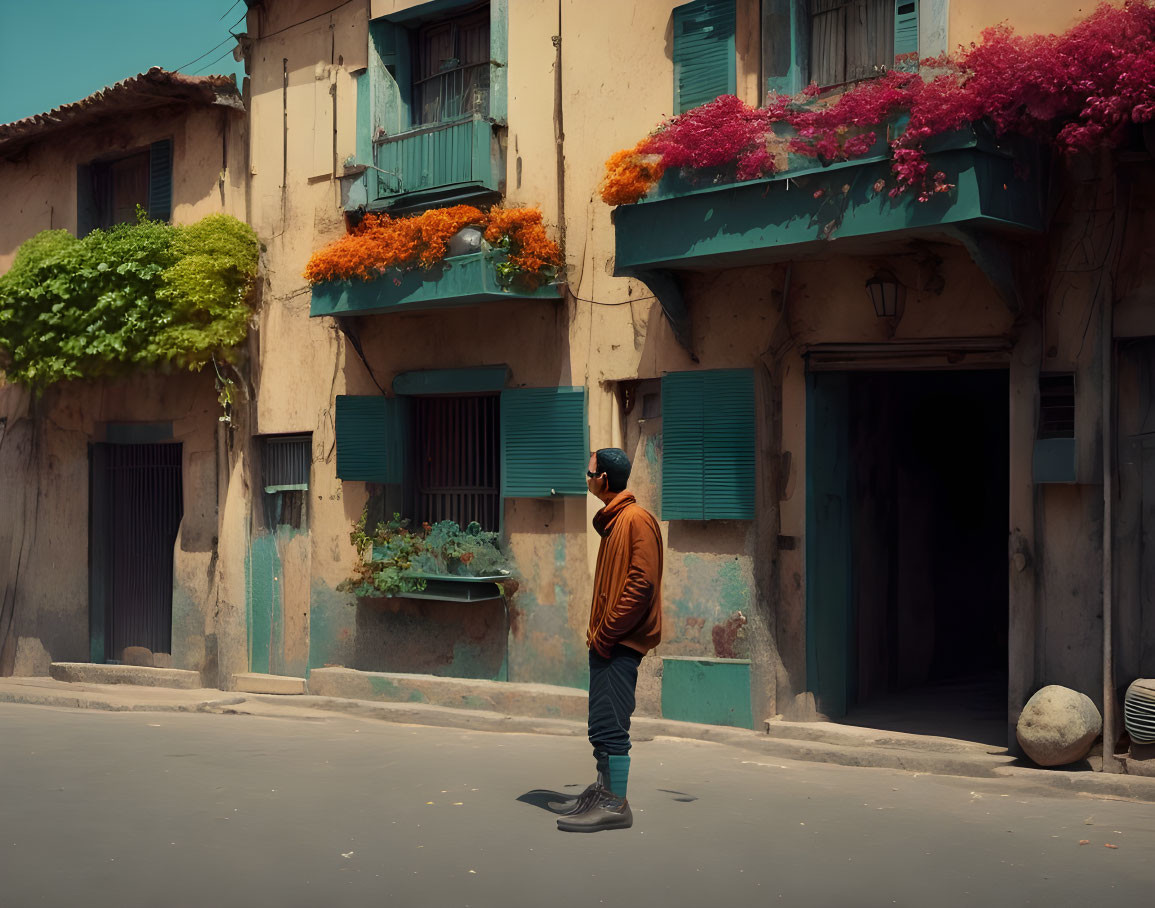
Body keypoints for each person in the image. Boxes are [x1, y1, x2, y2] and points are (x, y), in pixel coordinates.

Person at [556, 447, 663, 833]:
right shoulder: (617, 521)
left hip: (619, 641)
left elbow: (641, 585)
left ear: (603, 480)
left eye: (589, 473)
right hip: (609, 640)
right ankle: (602, 791)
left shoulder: (636, 520)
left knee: (613, 725)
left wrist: (607, 632)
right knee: (601, 725)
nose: (587, 479)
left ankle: (616, 804)